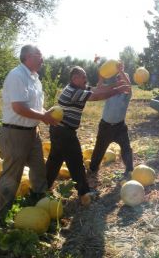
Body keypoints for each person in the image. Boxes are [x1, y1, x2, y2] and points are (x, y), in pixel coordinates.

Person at [45, 66, 130, 205]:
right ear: (75, 78)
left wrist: (116, 85)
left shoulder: (76, 88)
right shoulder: (74, 91)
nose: (86, 79)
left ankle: (42, 188)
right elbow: (96, 96)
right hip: (65, 132)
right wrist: (117, 91)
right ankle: (84, 192)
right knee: (76, 162)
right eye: (83, 77)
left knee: (55, 160)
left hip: (58, 131)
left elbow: (96, 89)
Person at [0, 45, 58, 224]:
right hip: (15, 133)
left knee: (39, 170)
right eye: (40, 55)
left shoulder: (35, 79)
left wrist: (47, 114)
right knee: (11, 176)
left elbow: (35, 107)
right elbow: (18, 107)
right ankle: (0, 218)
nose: (42, 59)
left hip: (32, 133)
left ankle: (40, 206)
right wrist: (43, 117)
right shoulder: (17, 76)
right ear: (28, 57)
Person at [88, 62, 133, 178]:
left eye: (124, 79)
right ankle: (93, 169)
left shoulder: (127, 95)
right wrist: (101, 78)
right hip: (105, 127)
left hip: (120, 127)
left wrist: (120, 71)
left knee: (126, 148)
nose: (122, 81)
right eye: (120, 79)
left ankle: (129, 169)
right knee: (99, 149)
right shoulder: (111, 92)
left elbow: (129, 86)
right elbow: (98, 89)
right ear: (117, 82)